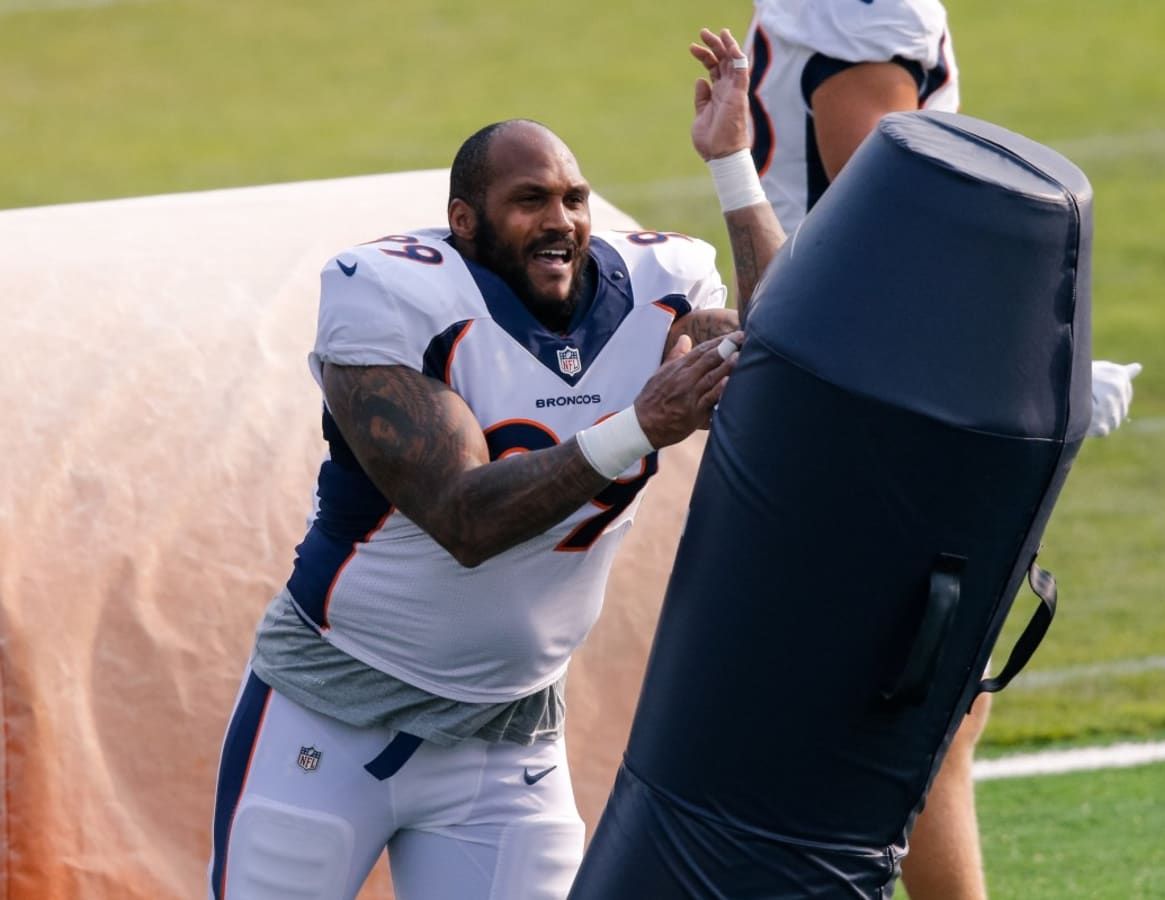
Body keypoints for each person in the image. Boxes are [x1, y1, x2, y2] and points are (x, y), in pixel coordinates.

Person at [207, 28, 783, 900]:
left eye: (575, 198)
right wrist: (638, 424)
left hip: (507, 735)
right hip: (335, 706)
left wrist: (733, 165)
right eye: (530, 200)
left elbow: (791, 365)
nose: (561, 220)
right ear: (465, 222)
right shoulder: (390, 296)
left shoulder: (657, 286)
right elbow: (465, 520)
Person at [740, 3, 1141, 899]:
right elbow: (901, 233)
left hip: (840, 371)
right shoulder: (867, 14)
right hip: (873, 392)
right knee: (925, 715)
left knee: (920, 710)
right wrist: (1031, 376)